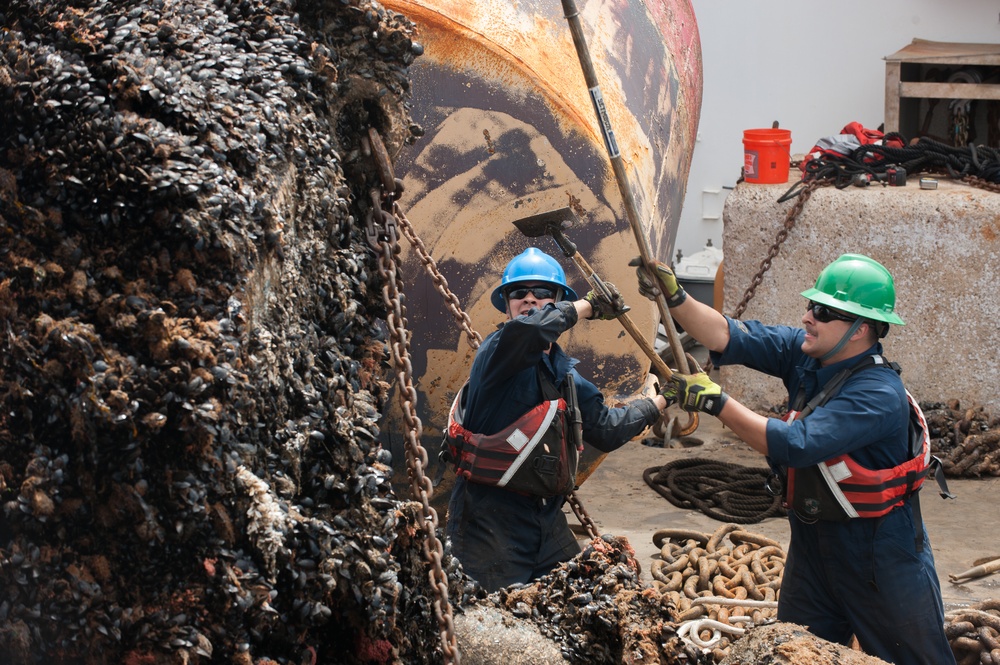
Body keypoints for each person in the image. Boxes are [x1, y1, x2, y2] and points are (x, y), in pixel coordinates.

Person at [636, 253, 955, 665]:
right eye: (810, 305)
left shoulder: (877, 394)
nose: (808, 316)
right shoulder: (809, 356)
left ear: (861, 329)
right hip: (813, 548)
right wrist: (675, 297)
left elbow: (795, 444)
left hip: (881, 558)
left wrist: (716, 402)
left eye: (823, 311)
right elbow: (726, 336)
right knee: (793, 653)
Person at [442, 247, 673, 592]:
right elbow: (531, 331)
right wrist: (589, 306)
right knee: (491, 625)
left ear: (557, 298)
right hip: (486, 522)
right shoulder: (498, 352)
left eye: (543, 293)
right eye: (519, 293)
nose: (530, 299)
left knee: (576, 603)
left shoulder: (566, 378)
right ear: (507, 305)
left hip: (545, 520)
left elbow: (608, 430)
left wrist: (664, 399)